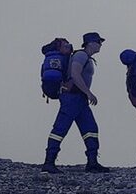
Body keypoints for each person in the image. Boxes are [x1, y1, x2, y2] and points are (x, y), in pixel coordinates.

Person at [42, 32, 110, 174]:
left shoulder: (85, 57)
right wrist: (88, 92)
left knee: (90, 129)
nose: (100, 44)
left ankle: (92, 163)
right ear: (90, 43)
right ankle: (49, 162)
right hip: (71, 98)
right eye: (98, 41)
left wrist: (85, 95)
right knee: (60, 129)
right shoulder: (80, 56)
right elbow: (75, 74)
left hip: (79, 99)